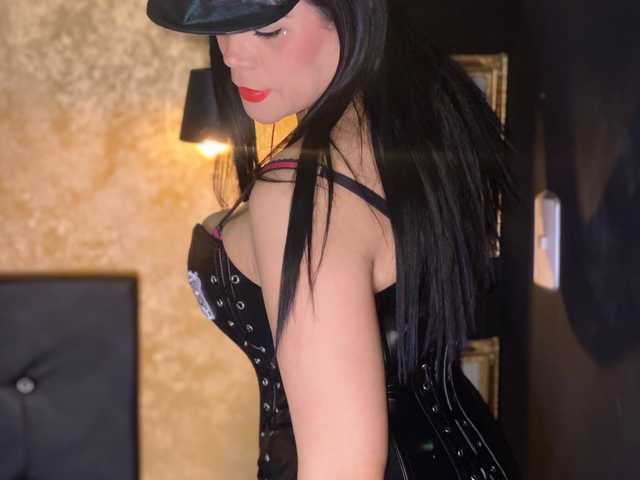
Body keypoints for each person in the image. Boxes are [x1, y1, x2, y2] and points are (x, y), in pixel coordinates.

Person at [147, 0, 519, 479]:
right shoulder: (417, 116)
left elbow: (344, 466)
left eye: (268, 31)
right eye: (225, 26)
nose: (233, 55)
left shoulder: (303, 193)